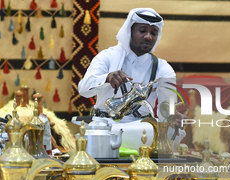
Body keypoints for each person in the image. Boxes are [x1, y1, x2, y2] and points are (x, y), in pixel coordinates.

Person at [78, 7, 185, 151]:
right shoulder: (107, 57)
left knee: (168, 131)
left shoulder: (163, 68)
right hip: (105, 124)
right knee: (97, 132)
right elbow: (83, 89)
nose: (148, 37)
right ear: (130, 32)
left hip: (141, 128)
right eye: (142, 31)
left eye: (153, 33)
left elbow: (166, 107)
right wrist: (107, 78)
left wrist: (171, 115)